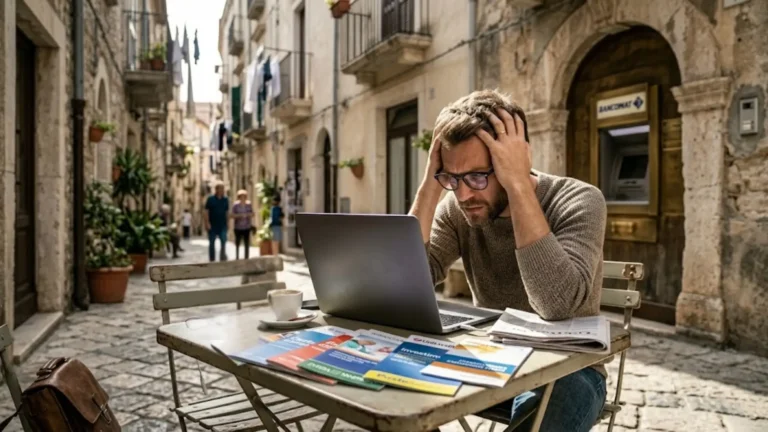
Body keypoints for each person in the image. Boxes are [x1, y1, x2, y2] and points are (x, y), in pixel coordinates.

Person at [410, 90, 607, 432]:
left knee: (557, 393)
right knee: (392, 376)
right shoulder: (456, 207)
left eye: (477, 176)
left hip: (569, 370)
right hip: (487, 363)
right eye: (452, 179)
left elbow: (556, 305)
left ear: (514, 160)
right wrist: (430, 186)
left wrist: (518, 186)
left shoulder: (579, 200)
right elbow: (407, 285)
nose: (464, 194)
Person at [204, 181, 230, 261]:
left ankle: (222, 258)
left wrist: (228, 223)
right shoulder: (210, 199)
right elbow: (206, 212)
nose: (222, 190)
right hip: (212, 225)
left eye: (223, 189)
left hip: (222, 224)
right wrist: (207, 223)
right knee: (212, 243)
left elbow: (227, 212)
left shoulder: (225, 199)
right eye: (220, 188)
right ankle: (212, 259)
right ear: (216, 189)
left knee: (223, 242)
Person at [232, 189, 254, 259]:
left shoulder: (248, 204)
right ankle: (237, 256)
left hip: (246, 227)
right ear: (239, 197)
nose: (243, 198)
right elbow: (232, 215)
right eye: (241, 196)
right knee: (237, 242)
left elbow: (252, 213)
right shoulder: (236, 205)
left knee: (246, 243)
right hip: (238, 227)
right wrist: (240, 216)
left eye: (244, 196)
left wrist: (247, 215)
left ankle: (246, 257)